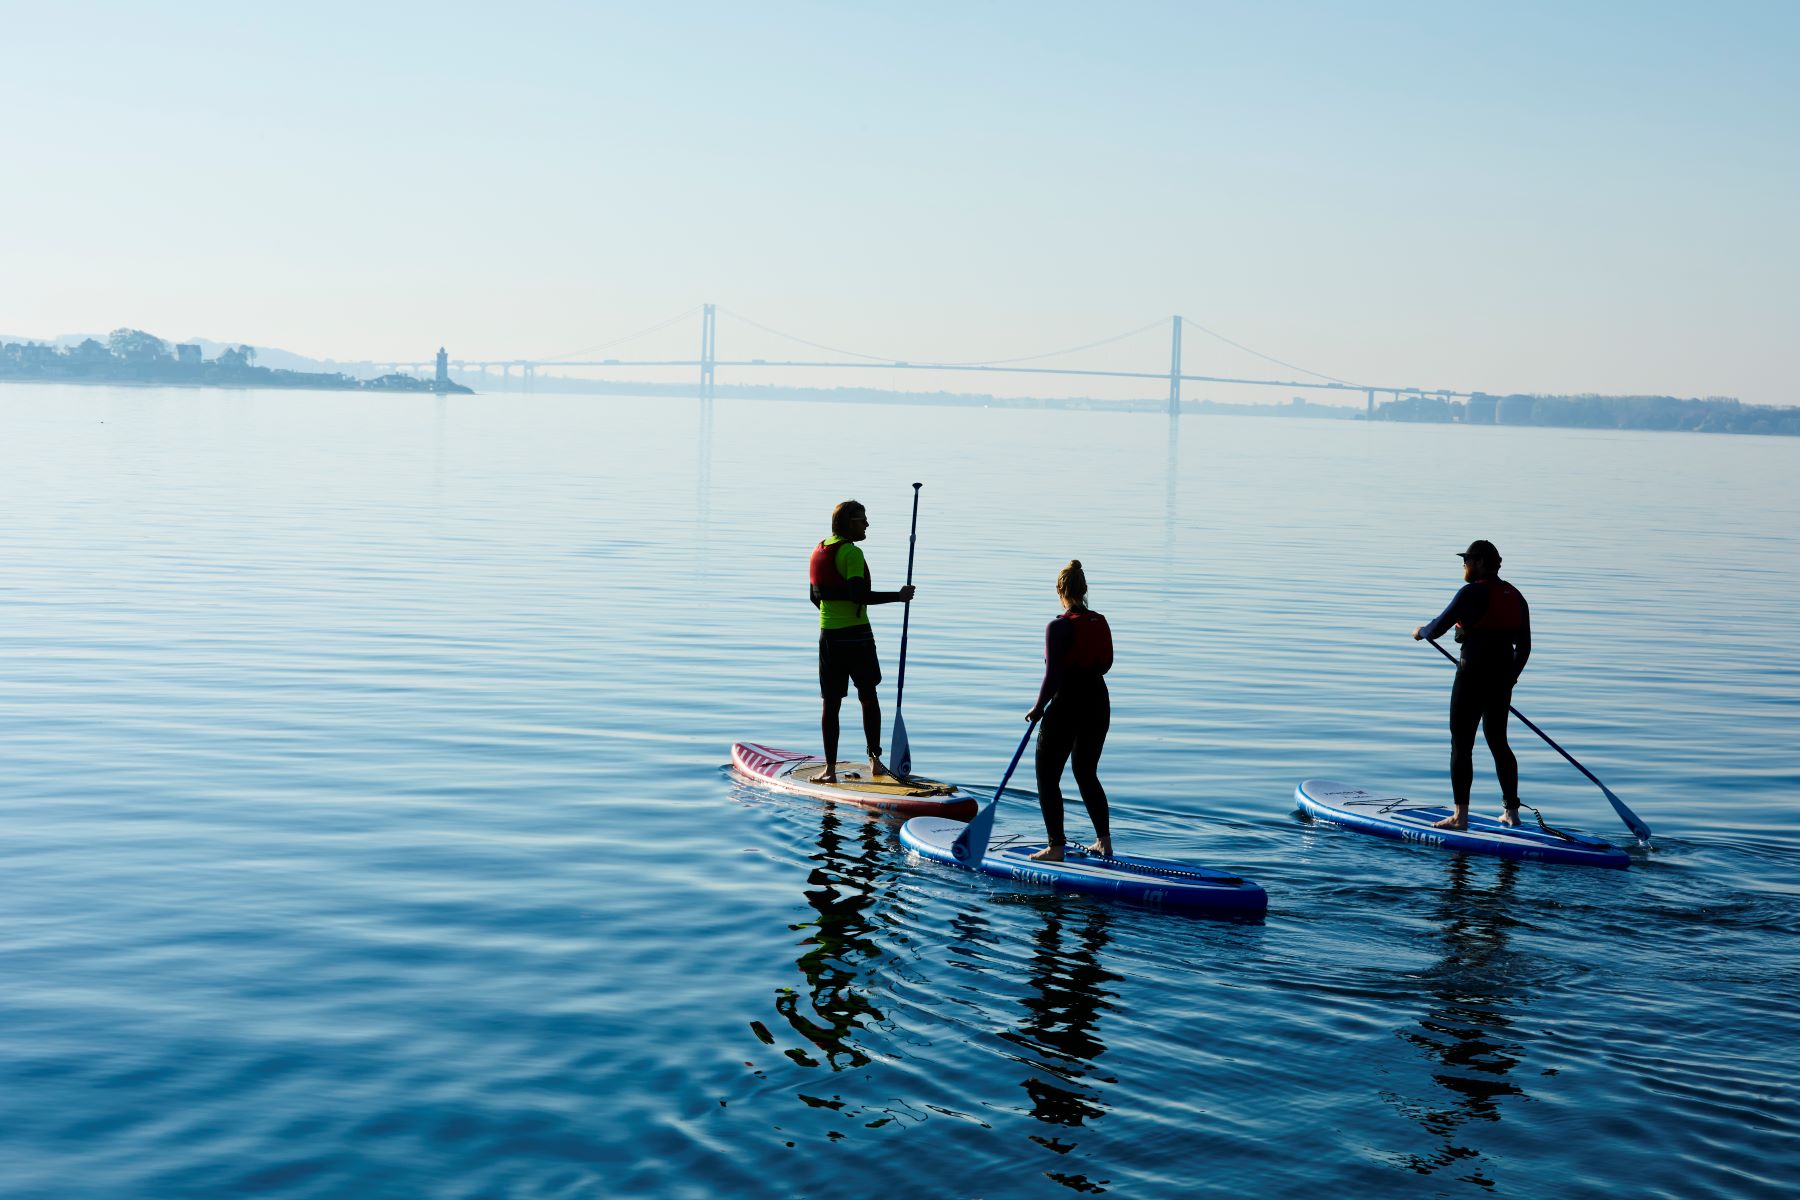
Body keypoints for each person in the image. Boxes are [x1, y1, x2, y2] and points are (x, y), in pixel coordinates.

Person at [1413, 539, 1532, 830]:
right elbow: (1525, 647)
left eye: (1466, 560)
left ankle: (1460, 817)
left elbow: (1437, 628)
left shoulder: (1471, 592)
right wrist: (1509, 681)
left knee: (1461, 744)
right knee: (1499, 743)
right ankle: (1512, 815)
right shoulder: (1515, 596)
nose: (1463, 565)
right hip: (1501, 679)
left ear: (1479, 563)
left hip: (1472, 678)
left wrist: (1420, 632)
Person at [810, 499, 914, 783]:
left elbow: (814, 597)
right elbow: (859, 595)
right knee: (868, 696)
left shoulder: (819, 550)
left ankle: (829, 770)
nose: (867, 524)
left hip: (829, 636)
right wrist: (899, 596)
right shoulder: (851, 553)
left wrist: (834, 619)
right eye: (861, 519)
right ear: (847, 524)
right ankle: (875, 761)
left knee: (831, 703)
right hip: (857, 636)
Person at [1026, 560, 1114, 862]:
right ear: (1085, 589)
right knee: (1086, 772)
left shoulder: (1058, 626)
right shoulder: (1100, 621)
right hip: (1098, 702)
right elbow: (1106, 665)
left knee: (1047, 777)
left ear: (1059, 590)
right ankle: (1104, 842)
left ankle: (1056, 847)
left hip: (1067, 704)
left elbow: (1052, 675)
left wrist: (1038, 707)